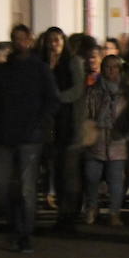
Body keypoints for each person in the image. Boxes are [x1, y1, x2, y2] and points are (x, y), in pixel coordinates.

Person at [0, 24, 60, 251]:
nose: (19, 43)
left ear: (29, 40)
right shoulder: (1, 71)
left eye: (22, 38)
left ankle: (24, 233)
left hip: (30, 137)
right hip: (4, 136)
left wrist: (38, 123)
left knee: (27, 189)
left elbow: (52, 100)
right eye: (15, 38)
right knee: (0, 186)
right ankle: (14, 225)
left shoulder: (39, 69)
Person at [37, 26, 85, 233]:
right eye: (50, 40)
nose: (53, 44)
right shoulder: (42, 63)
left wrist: (56, 97)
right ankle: (60, 214)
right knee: (55, 169)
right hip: (49, 123)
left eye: (57, 39)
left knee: (69, 171)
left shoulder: (72, 62)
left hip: (69, 122)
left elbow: (78, 89)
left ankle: (70, 215)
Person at [82, 55, 129, 226]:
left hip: (117, 140)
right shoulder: (93, 90)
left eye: (115, 67)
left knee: (116, 179)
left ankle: (114, 212)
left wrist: (128, 134)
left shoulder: (127, 92)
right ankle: (92, 207)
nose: (111, 70)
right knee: (92, 176)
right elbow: (86, 113)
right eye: (107, 66)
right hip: (96, 138)